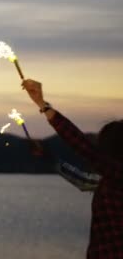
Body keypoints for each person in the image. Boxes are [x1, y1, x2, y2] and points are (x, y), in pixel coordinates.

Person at [22, 79, 123, 258]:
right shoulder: (109, 182)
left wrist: (43, 105)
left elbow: (82, 145)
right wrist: (48, 157)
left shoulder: (117, 174)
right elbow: (82, 180)